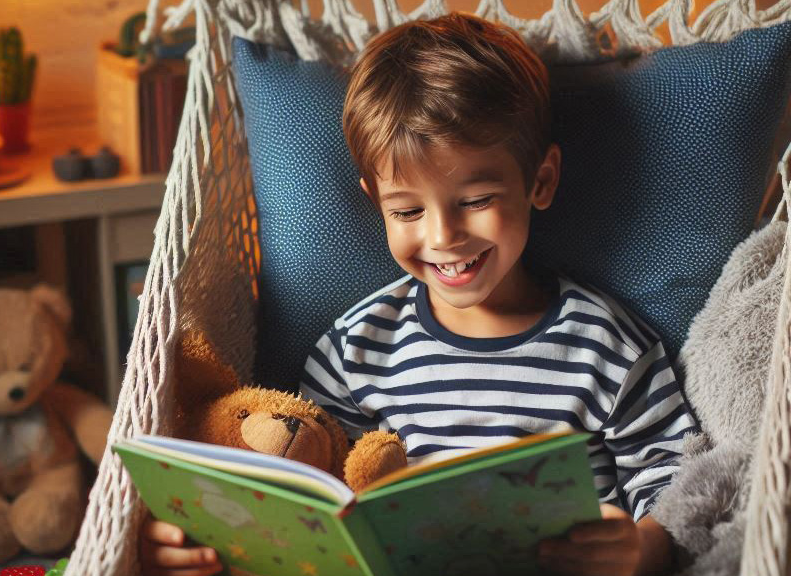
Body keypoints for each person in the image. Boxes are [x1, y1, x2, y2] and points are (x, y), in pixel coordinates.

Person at [141, 12, 700, 576]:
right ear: (375, 202)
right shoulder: (356, 350)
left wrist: (645, 546)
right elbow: (315, 496)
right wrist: (206, 539)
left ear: (541, 181)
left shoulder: (604, 345)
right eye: (407, 211)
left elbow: (680, 484)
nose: (443, 237)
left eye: (476, 200)